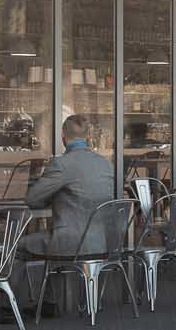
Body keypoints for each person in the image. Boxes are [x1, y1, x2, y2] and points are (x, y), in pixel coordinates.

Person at [22, 116, 118, 272]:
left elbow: (32, 199)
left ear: (62, 136)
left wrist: (50, 196)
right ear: (88, 136)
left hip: (70, 244)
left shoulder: (61, 164)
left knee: (13, 248)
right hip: (104, 242)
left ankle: (14, 296)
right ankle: (50, 293)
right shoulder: (106, 164)